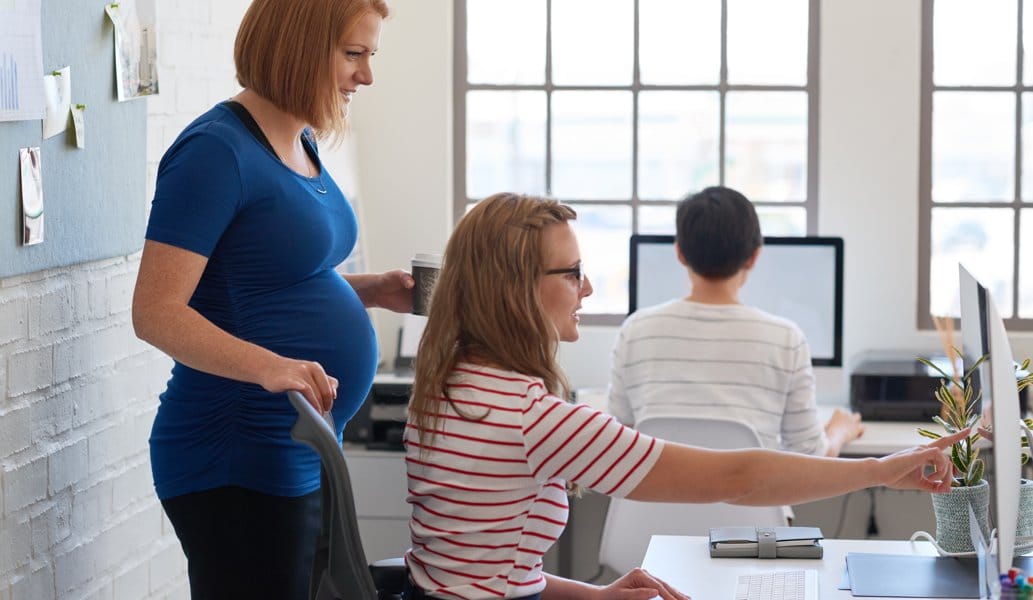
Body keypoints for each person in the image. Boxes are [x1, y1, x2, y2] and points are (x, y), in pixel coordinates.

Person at [404, 192, 965, 600]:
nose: (589, 288)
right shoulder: (532, 417)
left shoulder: (447, 385)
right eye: (573, 273)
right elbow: (738, 480)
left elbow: (480, 570)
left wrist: (594, 596)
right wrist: (877, 469)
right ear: (516, 287)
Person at [131, 1, 406, 598]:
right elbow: (155, 312)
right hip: (235, 451)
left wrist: (372, 292)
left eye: (369, 55)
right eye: (353, 55)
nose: (366, 76)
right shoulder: (214, 151)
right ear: (299, 47)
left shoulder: (300, 138)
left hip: (295, 445)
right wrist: (272, 366)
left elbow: (269, 280)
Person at [609, 186, 864, 458]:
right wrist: (839, 430)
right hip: (752, 501)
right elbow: (811, 458)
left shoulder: (634, 332)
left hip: (651, 501)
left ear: (680, 253)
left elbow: (616, 441)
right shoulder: (787, 339)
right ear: (754, 256)